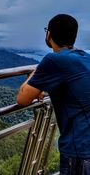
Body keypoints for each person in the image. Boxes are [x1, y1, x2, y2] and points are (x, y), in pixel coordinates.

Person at [17, 14, 90, 174]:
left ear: (48, 34)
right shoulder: (86, 57)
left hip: (80, 150)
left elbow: (22, 99)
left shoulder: (53, 60)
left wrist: (37, 74)